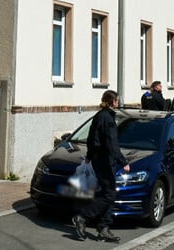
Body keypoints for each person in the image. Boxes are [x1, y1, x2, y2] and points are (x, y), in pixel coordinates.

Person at [72, 90, 129, 243]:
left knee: (107, 193)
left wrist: (90, 155)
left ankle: (103, 227)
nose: (118, 103)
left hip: (98, 159)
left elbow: (91, 138)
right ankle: (83, 217)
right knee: (109, 194)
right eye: (117, 100)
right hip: (105, 160)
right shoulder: (107, 118)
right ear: (113, 102)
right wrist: (123, 162)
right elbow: (111, 142)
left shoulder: (99, 116)